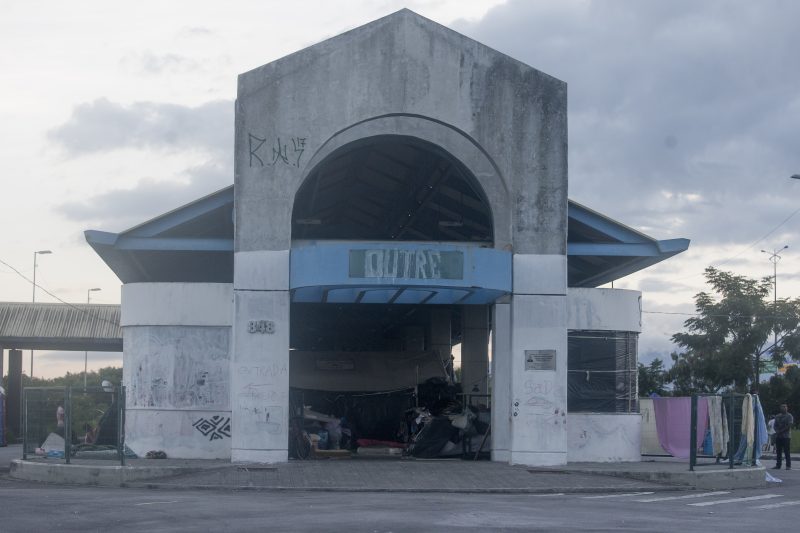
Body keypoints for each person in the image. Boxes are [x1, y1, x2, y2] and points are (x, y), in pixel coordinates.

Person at [773, 404, 794, 470]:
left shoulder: (789, 416)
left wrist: (781, 431)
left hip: (786, 436)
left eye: (785, 407)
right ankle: (778, 465)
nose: (783, 408)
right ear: (780, 408)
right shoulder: (777, 416)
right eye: (782, 407)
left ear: (787, 408)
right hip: (778, 436)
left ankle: (788, 466)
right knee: (778, 451)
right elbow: (775, 425)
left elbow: (789, 425)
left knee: (786, 451)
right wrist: (777, 431)